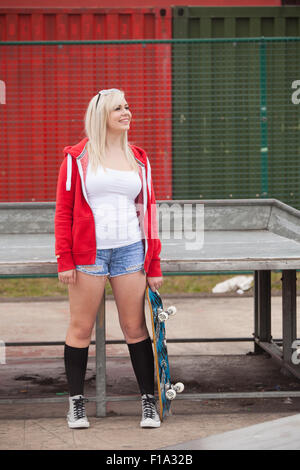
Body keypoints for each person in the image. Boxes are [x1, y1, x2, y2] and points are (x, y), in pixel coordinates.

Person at [54, 88, 163, 430]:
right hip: (89, 254)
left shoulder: (138, 158)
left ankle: (149, 402)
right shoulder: (77, 158)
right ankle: (76, 405)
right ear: (102, 115)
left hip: (130, 250)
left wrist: (154, 263)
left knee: (135, 328)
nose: (126, 112)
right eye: (118, 108)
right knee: (81, 328)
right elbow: (63, 212)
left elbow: (149, 212)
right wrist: (65, 259)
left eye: (128, 107)